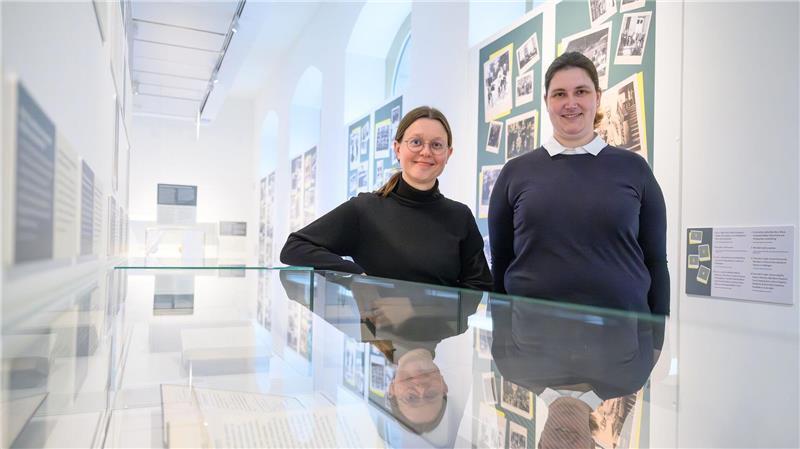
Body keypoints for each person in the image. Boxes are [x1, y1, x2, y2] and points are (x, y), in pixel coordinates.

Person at [488, 51, 669, 314]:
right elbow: (501, 262)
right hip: (531, 342)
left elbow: (656, 261)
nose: (570, 102)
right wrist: (501, 340)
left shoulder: (634, 169)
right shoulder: (515, 173)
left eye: (581, 92)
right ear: (547, 101)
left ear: (597, 97)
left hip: (621, 342)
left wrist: (656, 338)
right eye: (559, 94)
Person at [281, 106, 492, 291]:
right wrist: (355, 275)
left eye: (436, 145)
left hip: (440, 334)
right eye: (416, 142)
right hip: (380, 335)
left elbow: (479, 284)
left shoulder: (459, 216)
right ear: (397, 148)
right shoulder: (365, 209)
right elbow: (294, 247)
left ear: (448, 154)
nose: (426, 152)